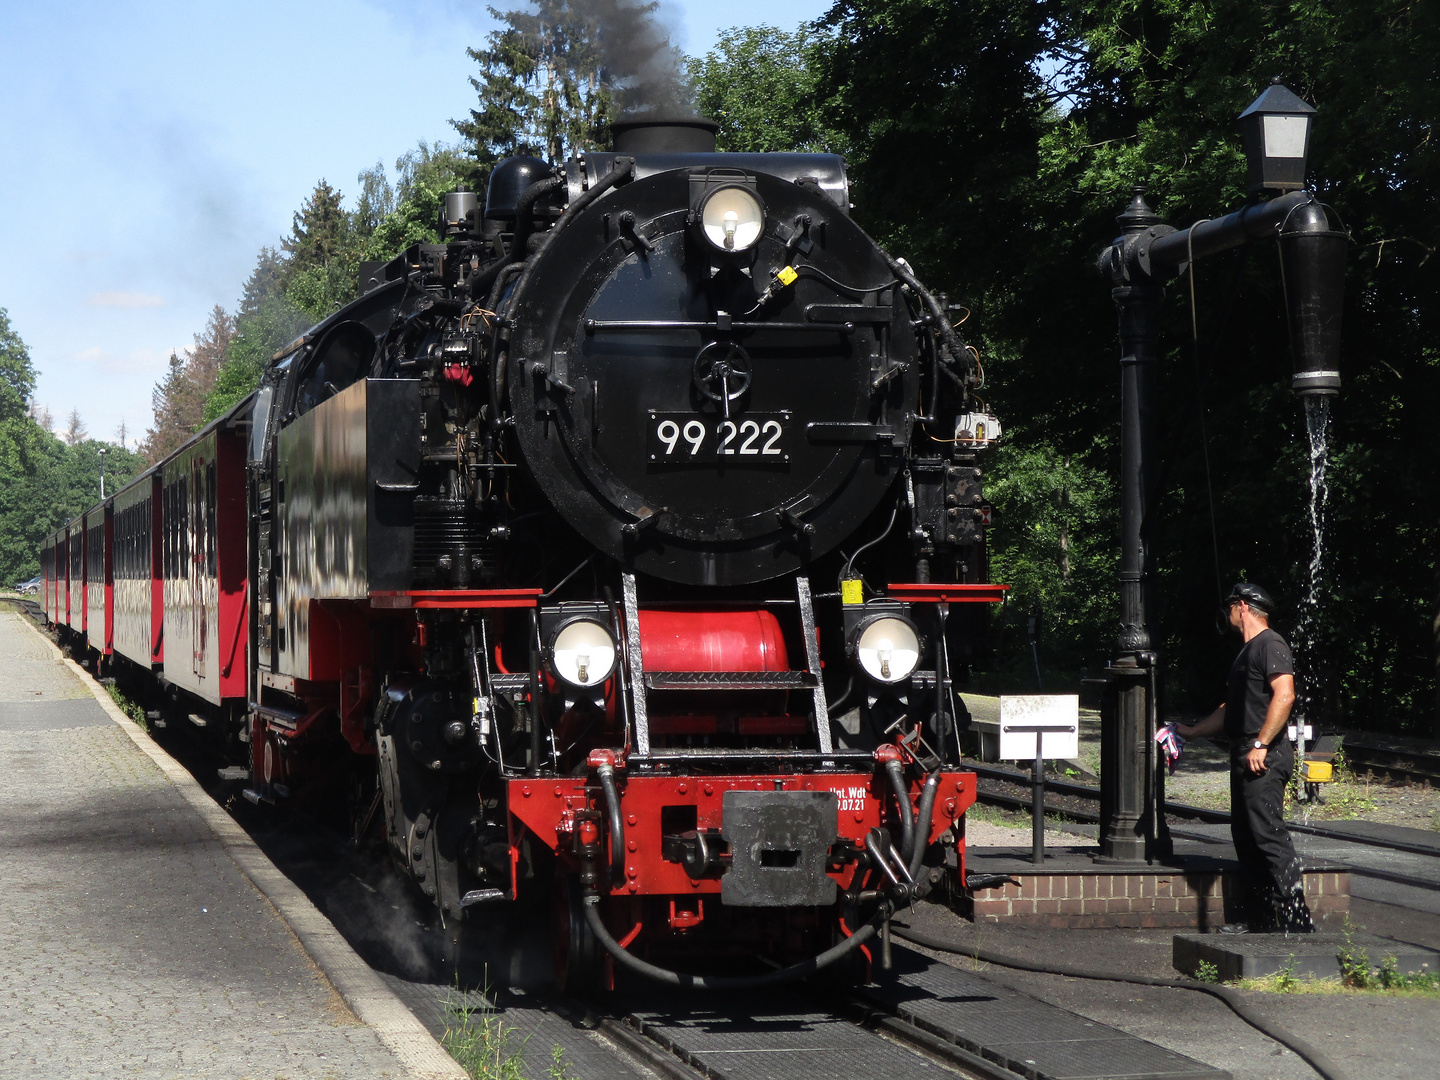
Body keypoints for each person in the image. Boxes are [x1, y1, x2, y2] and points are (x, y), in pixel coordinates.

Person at [1175, 583, 1314, 934]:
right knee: (1246, 835)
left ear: (1241, 606)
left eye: (1230, 608)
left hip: (1262, 756)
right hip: (1246, 753)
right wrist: (1191, 732)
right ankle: (1262, 919)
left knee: (1267, 834)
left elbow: (1285, 696)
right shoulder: (1246, 652)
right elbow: (1230, 709)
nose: (1228, 616)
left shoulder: (1271, 644)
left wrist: (1262, 743)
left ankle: (1295, 919)